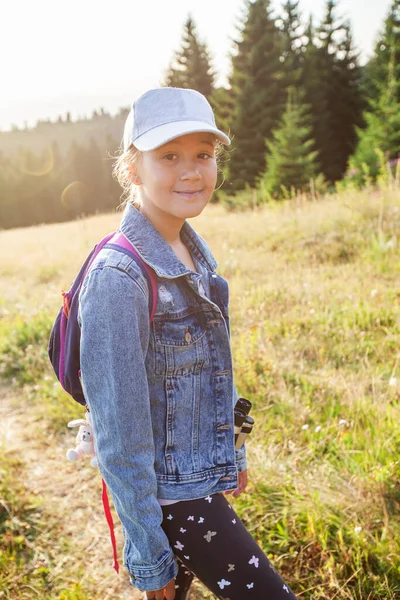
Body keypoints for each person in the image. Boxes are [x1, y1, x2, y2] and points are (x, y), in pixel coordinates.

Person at [78, 87, 297, 600]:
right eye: (169, 156)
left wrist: (231, 454)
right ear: (133, 169)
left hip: (199, 482)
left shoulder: (194, 254)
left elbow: (212, 373)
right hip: (173, 503)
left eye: (204, 154)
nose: (191, 171)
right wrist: (152, 559)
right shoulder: (119, 278)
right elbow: (120, 439)